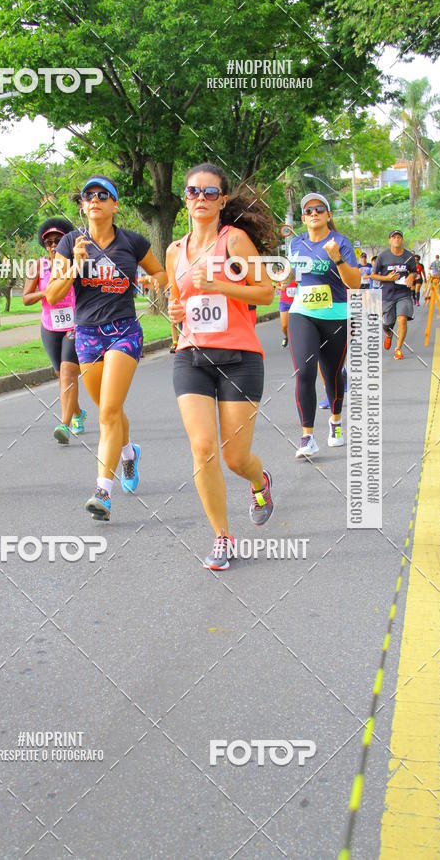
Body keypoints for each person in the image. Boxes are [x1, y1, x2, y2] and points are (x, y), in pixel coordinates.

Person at [167, 163, 275, 571]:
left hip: (240, 357)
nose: (201, 198)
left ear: (222, 200)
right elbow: (178, 303)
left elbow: (265, 292)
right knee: (203, 448)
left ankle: (259, 482)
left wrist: (220, 285)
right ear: (185, 198)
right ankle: (222, 536)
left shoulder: (235, 241)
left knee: (234, 458)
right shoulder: (174, 251)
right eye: (193, 191)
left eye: (210, 192)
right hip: (191, 356)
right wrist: (175, 313)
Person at [46, 176, 167, 520]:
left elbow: (161, 275)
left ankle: (103, 492)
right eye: (88, 196)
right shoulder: (69, 243)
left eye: (103, 195)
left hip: (124, 331)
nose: (95, 200)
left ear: (115, 205)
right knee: (107, 410)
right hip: (87, 334)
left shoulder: (132, 241)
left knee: (108, 413)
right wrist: (74, 266)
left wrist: (151, 281)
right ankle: (128, 453)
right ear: (83, 206)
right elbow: (53, 295)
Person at [287, 193, 360, 458]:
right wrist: (282, 278)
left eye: (319, 209)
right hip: (302, 313)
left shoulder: (341, 242)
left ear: (328, 215)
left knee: (332, 374)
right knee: (305, 371)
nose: (314, 213)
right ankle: (307, 437)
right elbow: (293, 274)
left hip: (336, 316)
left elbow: (354, 283)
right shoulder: (296, 243)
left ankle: (336, 421)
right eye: (308, 211)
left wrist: (337, 258)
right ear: (303, 218)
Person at [23, 218, 86, 443]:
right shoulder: (38, 266)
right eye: (48, 242)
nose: (52, 245)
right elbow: (26, 298)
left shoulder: (76, 263)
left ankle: (64, 424)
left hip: (74, 325)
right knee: (61, 375)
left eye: (57, 240)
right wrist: (47, 292)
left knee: (68, 372)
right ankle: (78, 412)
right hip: (50, 326)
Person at [371, 229, 417, 360]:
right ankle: (388, 334)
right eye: (394, 237)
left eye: (399, 237)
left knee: (402, 319)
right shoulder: (383, 256)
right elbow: (373, 275)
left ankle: (398, 349)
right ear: (389, 240)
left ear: (402, 240)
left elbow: (414, 272)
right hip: (387, 294)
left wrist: (411, 276)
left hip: (403, 293)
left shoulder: (409, 256)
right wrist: (387, 278)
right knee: (387, 324)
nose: (396, 239)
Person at [277, 272, 296, 347]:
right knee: (284, 326)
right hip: (284, 302)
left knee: (295, 324)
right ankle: (286, 336)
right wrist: (281, 287)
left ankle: (295, 339)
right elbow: (276, 286)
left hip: (296, 302)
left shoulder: (297, 272)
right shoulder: (281, 274)